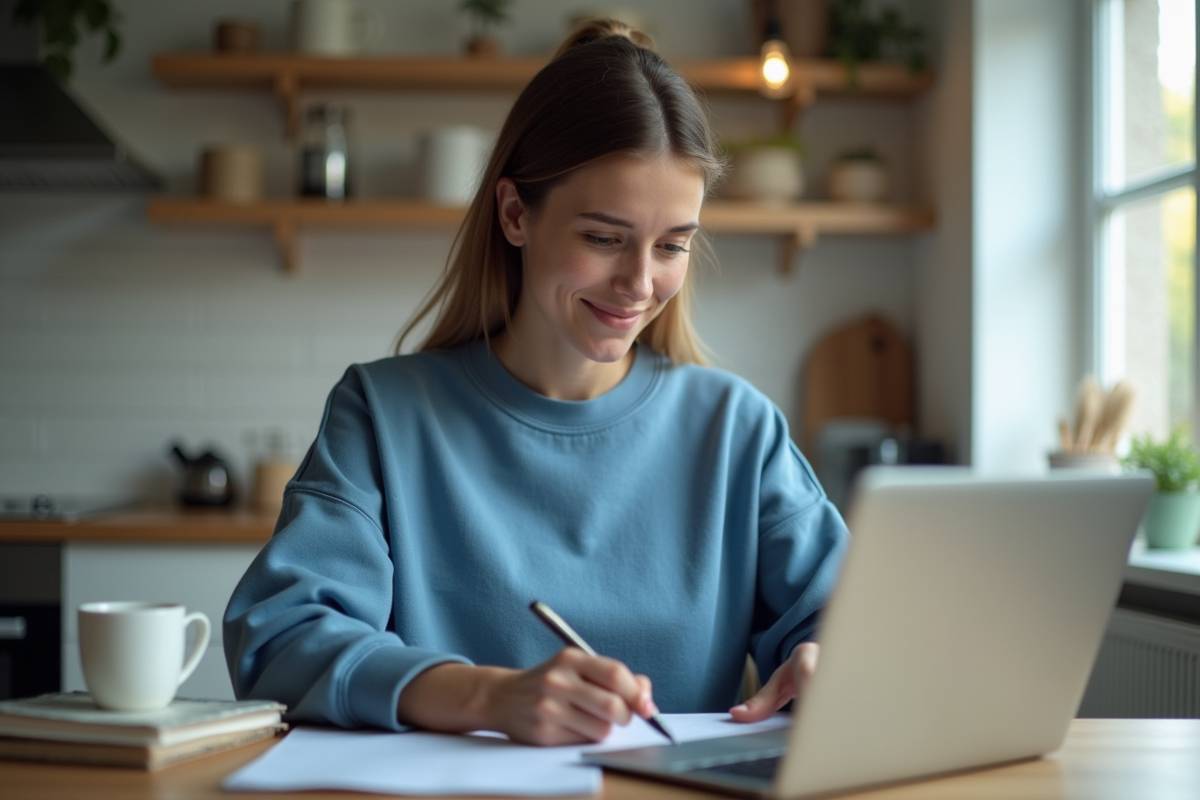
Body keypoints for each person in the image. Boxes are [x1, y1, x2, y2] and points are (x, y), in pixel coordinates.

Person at [224, 20, 848, 747]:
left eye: (673, 244)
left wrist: (832, 661)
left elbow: (845, 623)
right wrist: (485, 696)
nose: (640, 284)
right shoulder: (382, 413)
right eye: (604, 238)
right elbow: (277, 640)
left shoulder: (738, 431)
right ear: (516, 214)